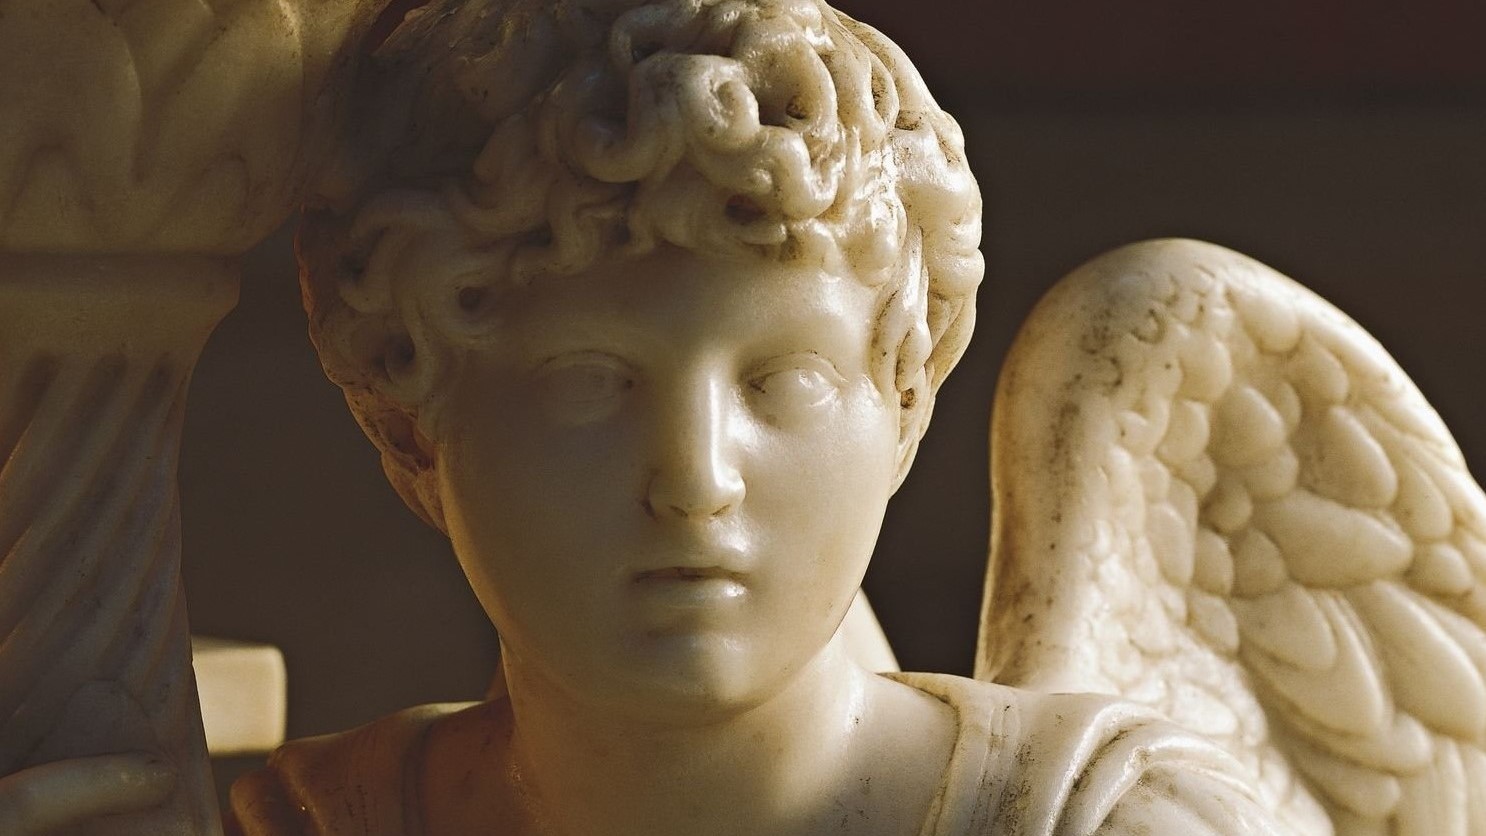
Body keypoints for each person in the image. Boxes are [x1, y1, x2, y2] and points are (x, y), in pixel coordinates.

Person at [227, 0, 1290, 832]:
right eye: (590, 381)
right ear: (413, 426)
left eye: (783, 381)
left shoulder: (1117, 820)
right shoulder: (312, 820)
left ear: (903, 408)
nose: (695, 477)